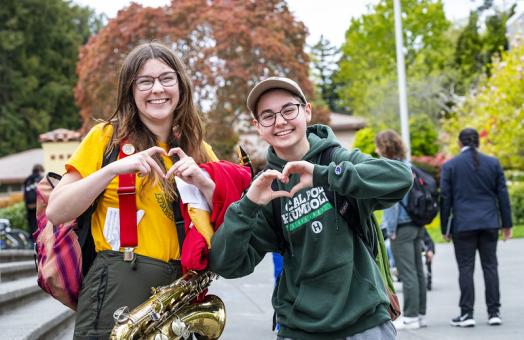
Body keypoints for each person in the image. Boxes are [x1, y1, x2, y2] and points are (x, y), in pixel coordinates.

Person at [209, 77, 413, 339]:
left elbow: (401, 177)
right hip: (301, 329)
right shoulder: (266, 187)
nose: (280, 121)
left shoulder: (336, 159)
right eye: (268, 116)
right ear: (258, 127)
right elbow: (227, 264)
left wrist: (324, 175)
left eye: (288, 110)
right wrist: (247, 205)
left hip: (365, 324)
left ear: (306, 111)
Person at [46, 42, 219, 339]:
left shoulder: (199, 150)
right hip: (116, 281)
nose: (157, 89)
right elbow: (56, 210)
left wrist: (206, 183)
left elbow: (227, 219)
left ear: (181, 86)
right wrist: (112, 170)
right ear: (130, 91)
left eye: (166, 78)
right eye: (145, 82)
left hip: (180, 290)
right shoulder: (106, 138)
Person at [440, 128, 512, 327]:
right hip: (489, 223)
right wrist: (507, 224)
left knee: (465, 268)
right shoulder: (493, 163)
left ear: (459, 143)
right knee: (490, 267)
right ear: (478, 142)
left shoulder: (451, 166)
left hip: (463, 225)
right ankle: (494, 312)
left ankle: (467, 313)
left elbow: (445, 199)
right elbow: (503, 196)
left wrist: (445, 227)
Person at [375, 130, 427, 330]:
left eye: (378, 146)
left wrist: (391, 229)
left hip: (401, 227)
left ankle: (411, 316)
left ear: (385, 147)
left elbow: (393, 203)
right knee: (418, 270)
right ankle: (420, 314)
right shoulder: (408, 165)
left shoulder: (390, 168)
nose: (376, 150)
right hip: (416, 224)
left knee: (407, 272)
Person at [23, 164, 44, 242]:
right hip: (38, 206)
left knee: (32, 225)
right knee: (40, 224)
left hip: (29, 206)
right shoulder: (40, 179)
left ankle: (32, 242)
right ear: (40, 170)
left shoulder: (27, 180)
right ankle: (40, 243)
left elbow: (25, 194)